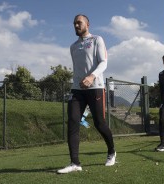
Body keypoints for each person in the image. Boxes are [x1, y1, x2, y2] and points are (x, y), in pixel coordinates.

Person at [57, 14, 116, 174]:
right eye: (74, 23)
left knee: (99, 123)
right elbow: (77, 69)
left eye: (79, 22)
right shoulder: (73, 46)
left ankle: (111, 151)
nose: (76, 25)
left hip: (95, 87)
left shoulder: (97, 39)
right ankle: (75, 163)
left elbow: (103, 62)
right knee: (73, 121)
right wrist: (77, 83)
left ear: (87, 24)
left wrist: (91, 76)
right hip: (77, 90)